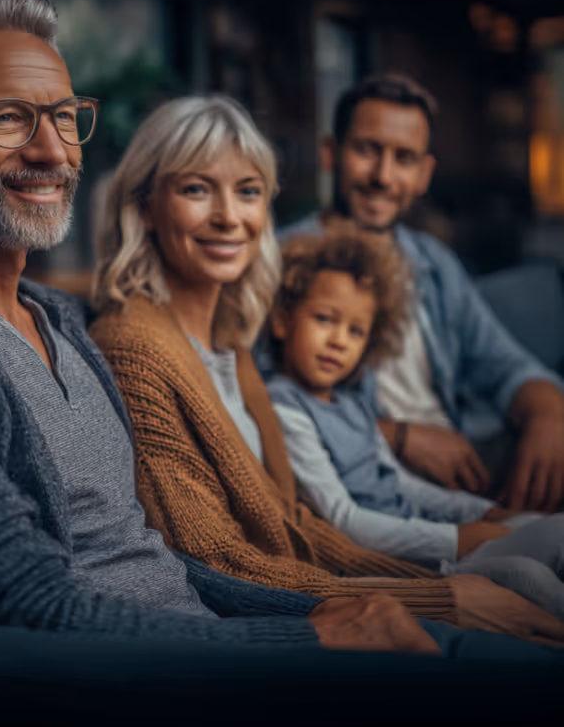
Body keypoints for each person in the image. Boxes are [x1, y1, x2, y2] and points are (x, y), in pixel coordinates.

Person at [0, 0, 460, 658]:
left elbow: (161, 562)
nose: (53, 151)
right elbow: (26, 605)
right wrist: (306, 639)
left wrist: (337, 610)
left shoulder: (61, 317)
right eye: (8, 118)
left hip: (214, 653)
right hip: (128, 697)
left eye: (64, 117)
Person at [89, 92, 564, 645]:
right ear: (146, 205)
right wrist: (445, 590)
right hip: (283, 613)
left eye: (247, 192)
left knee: (534, 566)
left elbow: (294, 524)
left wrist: (447, 572)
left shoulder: (229, 339)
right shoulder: (135, 348)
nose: (227, 216)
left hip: (345, 557)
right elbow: (213, 559)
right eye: (196, 188)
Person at [279, 73, 564, 511]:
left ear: (424, 174)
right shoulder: (286, 260)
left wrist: (550, 416)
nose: (383, 176)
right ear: (330, 153)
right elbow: (260, 408)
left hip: (464, 465)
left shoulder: (433, 263)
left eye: (404, 158)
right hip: (370, 487)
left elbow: (505, 365)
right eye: (367, 150)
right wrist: (399, 436)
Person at [267, 225, 564, 619]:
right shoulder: (285, 407)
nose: (339, 340)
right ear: (283, 321)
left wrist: (479, 513)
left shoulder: (351, 403)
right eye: (324, 319)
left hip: (427, 529)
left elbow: (402, 485)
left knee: (546, 527)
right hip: (401, 559)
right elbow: (342, 520)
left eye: (356, 330)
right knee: (533, 571)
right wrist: (456, 539)